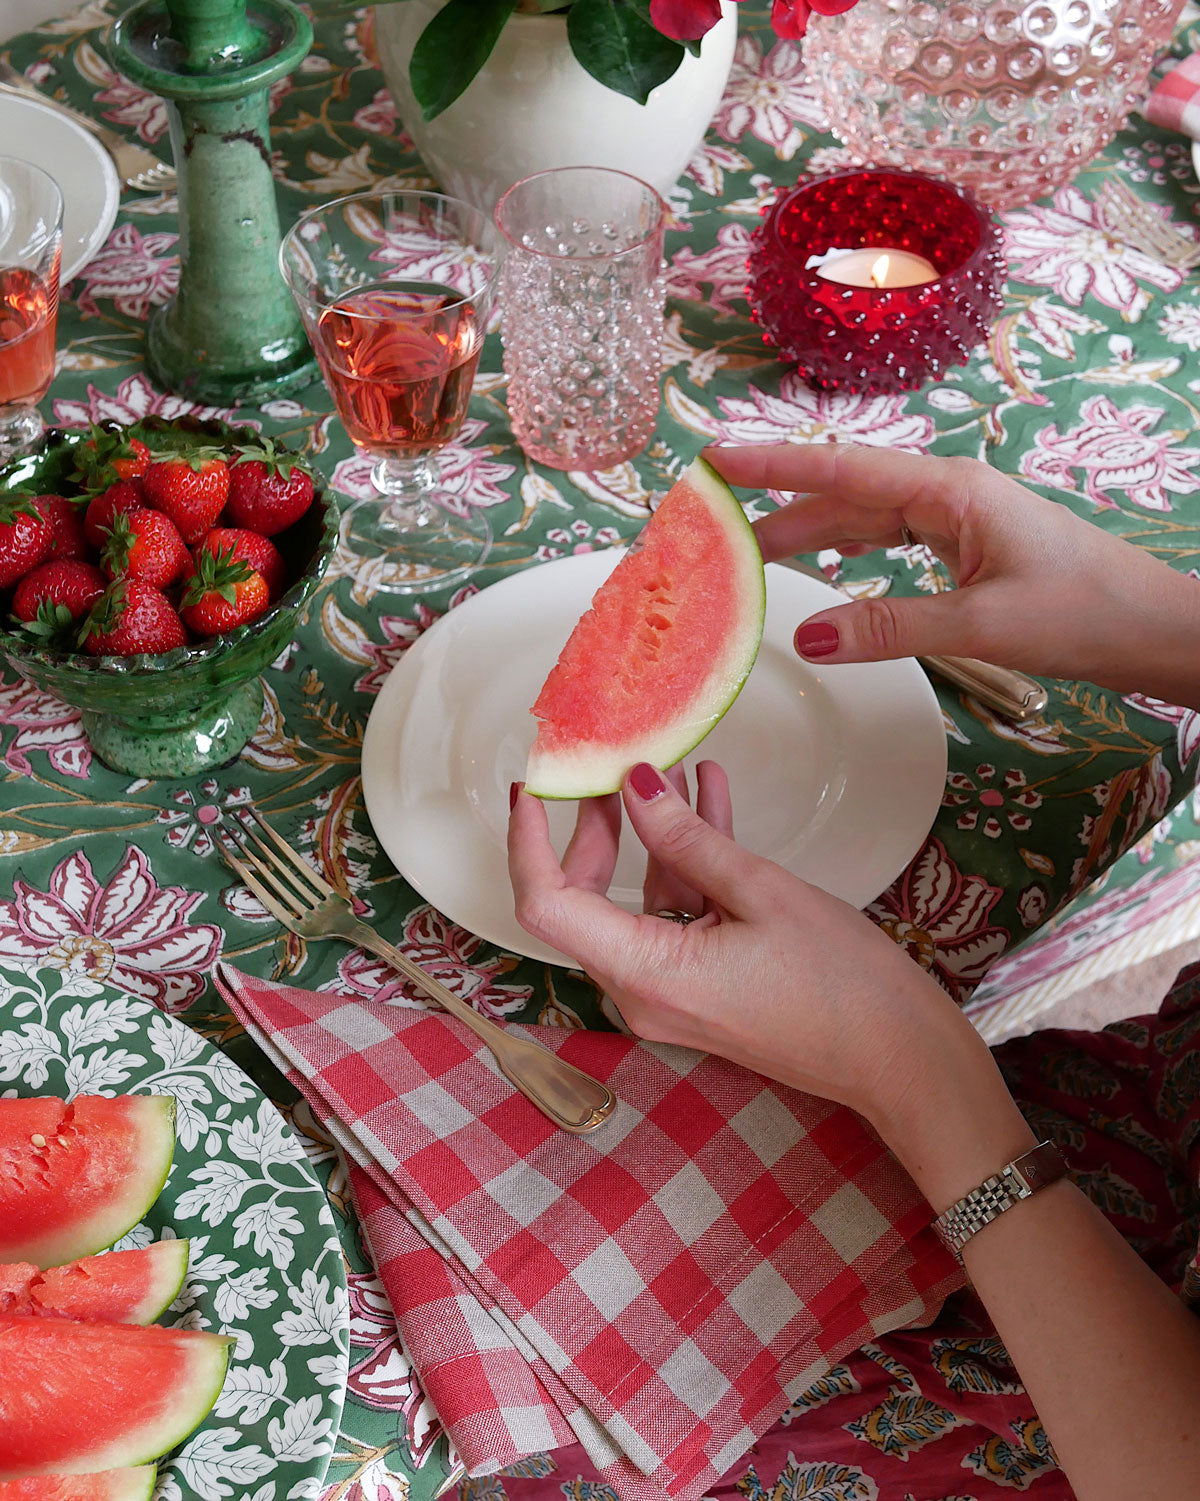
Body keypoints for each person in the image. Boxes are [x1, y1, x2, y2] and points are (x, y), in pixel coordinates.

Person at [503, 443, 1200, 1501]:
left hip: (1118, 1408)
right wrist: (1153, 622)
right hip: (1159, 1109)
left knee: (526, 1444)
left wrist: (906, 1062)